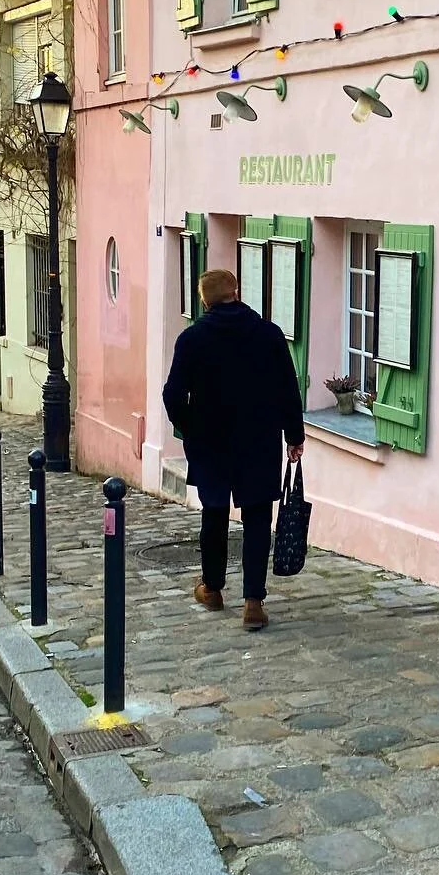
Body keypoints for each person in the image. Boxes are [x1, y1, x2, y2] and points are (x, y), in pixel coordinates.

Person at [162, 266, 304, 628]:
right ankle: (253, 602)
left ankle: (211, 588)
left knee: (214, 512)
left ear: (205, 300)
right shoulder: (269, 335)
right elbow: (288, 389)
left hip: (210, 441)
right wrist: (294, 436)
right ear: (236, 293)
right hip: (258, 440)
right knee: (257, 517)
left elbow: (172, 394)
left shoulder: (192, 339)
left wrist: (188, 425)